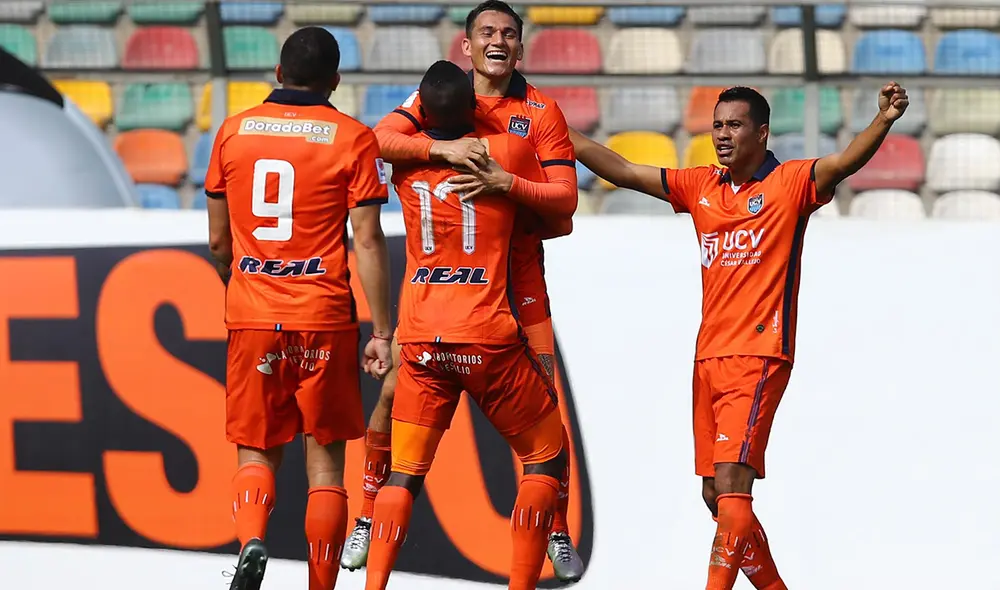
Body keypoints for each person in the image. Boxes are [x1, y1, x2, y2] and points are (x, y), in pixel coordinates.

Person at [570, 84, 909, 590]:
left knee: (733, 491)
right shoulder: (701, 185)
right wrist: (552, 128)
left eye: (734, 125)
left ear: (762, 132)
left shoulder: (791, 182)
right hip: (707, 357)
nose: (722, 135)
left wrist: (882, 120)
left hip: (758, 354)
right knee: (715, 494)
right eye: (718, 125)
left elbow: (842, 164)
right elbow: (624, 170)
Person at [342, 0, 585, 582]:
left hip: (516, 287)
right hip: (467, 301)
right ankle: (368, 516)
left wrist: (510, 187)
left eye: (508, 33)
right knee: (391, 394)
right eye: (487, 32)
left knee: (547, 405)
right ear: (467, 47)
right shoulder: (441, 103)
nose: (498, 41)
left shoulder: (540, 112)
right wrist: (442, 148)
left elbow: (563, 200)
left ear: (520, 48)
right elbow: (383, 137)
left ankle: (555, 528)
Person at [204, 26, 394, 590]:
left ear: (278, 73)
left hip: (254, 311)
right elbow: (366, 240)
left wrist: (238, 287)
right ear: (336, 80)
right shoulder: (352, 137)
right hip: (324, 317)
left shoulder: (233, 132)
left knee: (256, 451)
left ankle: (252, 540)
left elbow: (219, 243)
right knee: (326, 466)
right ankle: (320, 584)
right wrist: (381, 330)